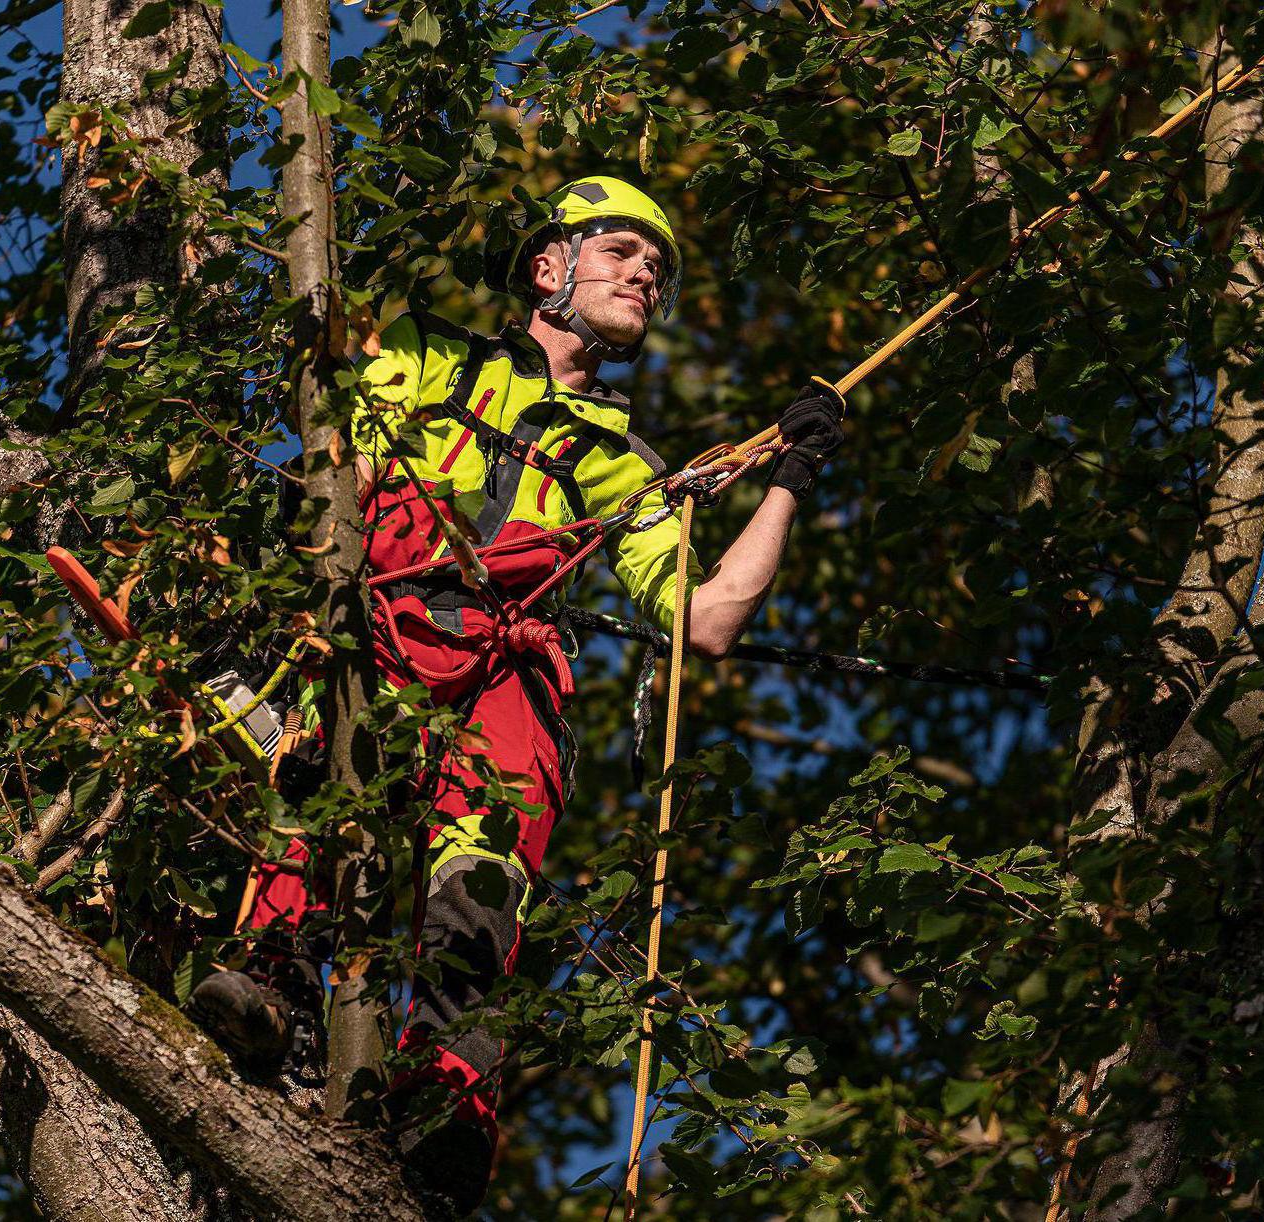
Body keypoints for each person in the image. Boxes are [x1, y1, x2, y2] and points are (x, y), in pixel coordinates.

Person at [186, 175, 842, 1213]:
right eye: (623, 251)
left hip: (504, 667)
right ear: (549, 268)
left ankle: (441, 1103)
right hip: (383, 627)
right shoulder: (426, 349)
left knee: (477, 884)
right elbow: (340, 474)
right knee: (318, 794)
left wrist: (789, 479)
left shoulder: (626, 467)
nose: (644, 275)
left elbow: (707, 618)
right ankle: (268, 986)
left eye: (657, 268)